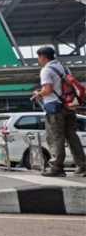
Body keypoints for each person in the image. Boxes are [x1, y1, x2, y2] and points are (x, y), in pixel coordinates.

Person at [32, 47, 86, 177]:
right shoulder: (64, 68)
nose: (38, 60)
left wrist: (37, 94)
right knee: (72, 137)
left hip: (54, 108)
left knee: (56, 138)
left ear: (43, 57)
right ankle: (83, 166)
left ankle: (56, 168)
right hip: (68, 106)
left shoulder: (46, 70)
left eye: (38, 57)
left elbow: (48, 89)